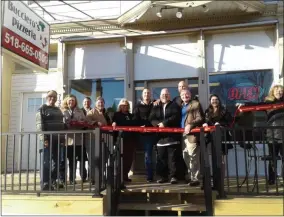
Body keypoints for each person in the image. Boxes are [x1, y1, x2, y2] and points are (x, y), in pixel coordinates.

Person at [149, 88, 181, 184]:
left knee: (172, 159)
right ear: (160, 96)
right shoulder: (156, 106)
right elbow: (151, 118)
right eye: (163, 95)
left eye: (166, 94)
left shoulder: (174, 105)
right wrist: (158, 125)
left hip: (172, 137)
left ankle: (173, 177)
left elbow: (176, 116)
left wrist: (165, 123)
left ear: (169, 96)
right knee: (161, 159)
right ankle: (162, 177)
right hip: (160, 137)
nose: (164, 96)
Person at [36, 90, 66, 190]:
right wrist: (44, 139)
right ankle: (45, 183)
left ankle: (53, 181)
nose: (52, 98)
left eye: (54, 97)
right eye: (50, 96)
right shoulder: (42, 108)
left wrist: (62, 138)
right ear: (47, 97)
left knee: (56, 161)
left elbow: (61, 124)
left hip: (58, 139)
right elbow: (39, 125)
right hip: (47, 139)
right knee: (46, 161)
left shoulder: (58, 109)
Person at [203, 94, 233, 186]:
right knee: (214, 158)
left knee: (222, 159)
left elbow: (229, 122)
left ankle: (221, 179)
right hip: (211, 137)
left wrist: (220, 124)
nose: (214, 101)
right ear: (210, 101)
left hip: (222, 137)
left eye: (216, 99)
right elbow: (205, 121)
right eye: (212, 99)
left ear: (219, 101)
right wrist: (205, 124)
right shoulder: (207, 111)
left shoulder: (224, 110)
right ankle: (215, 178)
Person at [181, 89, 204, 186]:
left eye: (187, 94)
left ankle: (196, 179)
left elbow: (200, 118)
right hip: (182, 135)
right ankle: (191, 177)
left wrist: (190, 125)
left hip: (192, 135)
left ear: (190, 95)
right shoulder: (181, 106)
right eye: (183, 95)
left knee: (193, 158)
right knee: (186, 156)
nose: (185, 96)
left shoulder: (195, 104)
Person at [61, 94, 87, 184]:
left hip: (78, 140)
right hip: (66, 140)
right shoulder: (62, 111)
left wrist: (79, 123)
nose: (71, 102)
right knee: (64, 161)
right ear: (66, 101)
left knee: (74, 161)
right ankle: (63, 179)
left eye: (73, 100)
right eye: (69, 100)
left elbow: (85, 122)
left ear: (75, 102)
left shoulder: (80, 111)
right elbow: (61, 124)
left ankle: (73, 179)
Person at [133, 88, 157, 182]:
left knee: (151, 155)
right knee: (146, 156)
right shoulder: (137, 106)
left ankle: (153, 175)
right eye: (145, 93)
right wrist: (139, 126)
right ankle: (149, 175)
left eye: (148, 93)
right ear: (142, 95)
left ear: (150, 95)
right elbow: (135, 118)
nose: (147, 94)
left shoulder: (154, 105)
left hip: (153, 134)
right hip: (142, 135)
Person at [86, 96, 111, 183]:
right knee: (94, 159)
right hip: (93, 139)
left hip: (105, 139)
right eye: (99, 102)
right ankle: (93, 178)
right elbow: (87, 121)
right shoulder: (91, 112)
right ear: (96, 104)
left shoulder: (106, 113)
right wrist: (95, 122)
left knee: (104, 159)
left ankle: (100, 176)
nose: (101, 104)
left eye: (102, 102)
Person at [112, 98, 137, 182]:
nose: (125, 106)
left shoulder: (131, 115)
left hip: (131, 140)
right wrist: (114, 123)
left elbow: (134, 124)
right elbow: (114, 123)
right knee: (120, 159)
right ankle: (119, 177)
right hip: (121, 139)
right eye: (123, 105)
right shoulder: (116, 114)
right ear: (120, 106)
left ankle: (125, 175)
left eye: (126, 105)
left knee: (129, 159)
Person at [264, 85, 284, 185]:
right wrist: (244, 104)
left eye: (281, 91)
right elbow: (256, 105)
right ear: (273, 92)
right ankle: (272, 179)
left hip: (283, 134)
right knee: (273, 158)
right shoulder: (267, 102)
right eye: (277, 91)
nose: (279, 92)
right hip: (271, 135)